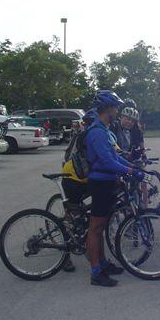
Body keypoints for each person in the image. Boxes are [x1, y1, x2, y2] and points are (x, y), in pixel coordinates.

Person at [85, 90, 144, 287]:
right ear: (108, 109)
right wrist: (129, 170)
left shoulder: (106, 130)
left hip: (107, 181)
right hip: (100, 182)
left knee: (101, 227)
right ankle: (95, 272)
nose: (117, 112)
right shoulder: (97, 132)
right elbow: (107, 161)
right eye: (115, 108)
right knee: (95, 228)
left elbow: (115, 156)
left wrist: (132, 167)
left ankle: (103, 263)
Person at [58, 109, 97, 273]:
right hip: (72, 179)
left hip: (87, 180)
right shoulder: (83, 137)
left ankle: (90, 244)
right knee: (72, 217)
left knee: (88, 214)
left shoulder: (101, 134)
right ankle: (65, 255)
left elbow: (114, 151)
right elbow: (70, 157)